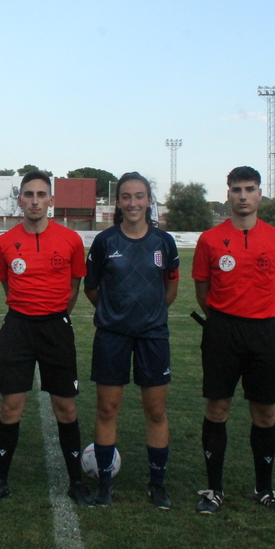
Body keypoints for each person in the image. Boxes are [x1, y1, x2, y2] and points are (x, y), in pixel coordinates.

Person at [0, 170, 95, 507]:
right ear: (19, 199)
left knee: (66, 407)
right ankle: (0, 480)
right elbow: (6, 284)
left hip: (55, 328)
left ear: (51, 200)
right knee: (10, 407)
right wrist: (28, 310)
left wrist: (55, 314)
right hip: (18, 328)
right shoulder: (3, 243)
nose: (34, 201)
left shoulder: (71, 240)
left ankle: (76, 482)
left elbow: (74, 286)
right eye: (28, 194)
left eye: (41, 194)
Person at [192, 166, 275, 514]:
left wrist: (262, 315)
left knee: (265, 413)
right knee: (218, 408)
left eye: (249, 189)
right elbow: (202, 290)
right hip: (222, 331)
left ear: (260, 194)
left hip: (264, 331)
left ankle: (265, 490)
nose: (243, 195)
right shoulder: (209, 239)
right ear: (228, 195)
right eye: (236, 189)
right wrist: (224, 319)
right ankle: (214, 490)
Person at [84, 172, 180, 509]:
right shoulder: (105, 242)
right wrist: (115, 314)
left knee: (155, 410)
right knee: (107, 409)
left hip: (153, 336)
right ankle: (105, 486)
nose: (133, 203)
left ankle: (157, 485)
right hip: (112, 336)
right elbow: (92, 288)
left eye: (139, 196)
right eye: (126, 197)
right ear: (118, 202)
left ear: (149, 200)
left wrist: (149, 315)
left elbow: (170, 287)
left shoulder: (164, 243)